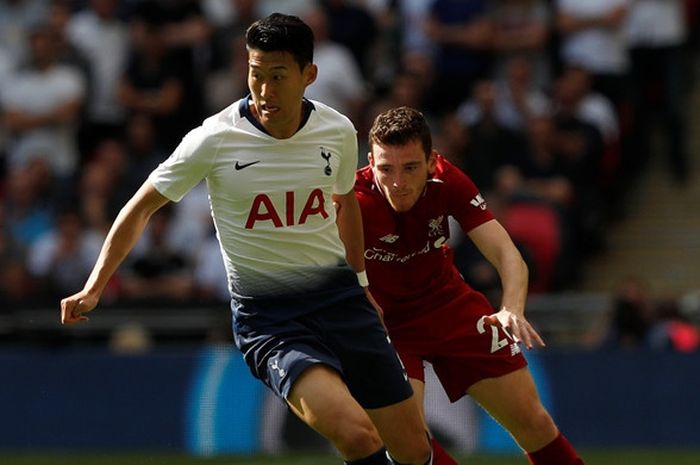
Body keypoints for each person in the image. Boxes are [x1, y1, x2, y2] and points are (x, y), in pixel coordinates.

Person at [59, 13, 432, 465]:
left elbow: (345, 202)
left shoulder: (337, 131)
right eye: (256, 75)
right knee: (356, 434)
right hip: (272, 321)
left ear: (308, 75)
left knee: (414, 451)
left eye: (278, 76)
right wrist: (94, 286)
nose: (265, 90)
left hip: (342, 303)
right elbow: (140, 208)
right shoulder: (214, 139)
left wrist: (361, 282)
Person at [353, 106, 585, 464]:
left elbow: (507, 253)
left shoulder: (449, 181)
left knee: (534, 422)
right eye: (386, 169)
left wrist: (511, 307)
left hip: (449, 308)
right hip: (386, 325)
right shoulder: (350, 200)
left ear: (431, 161)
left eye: (410, 167)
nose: (397, 182)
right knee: (410, 447)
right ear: (371, 162)